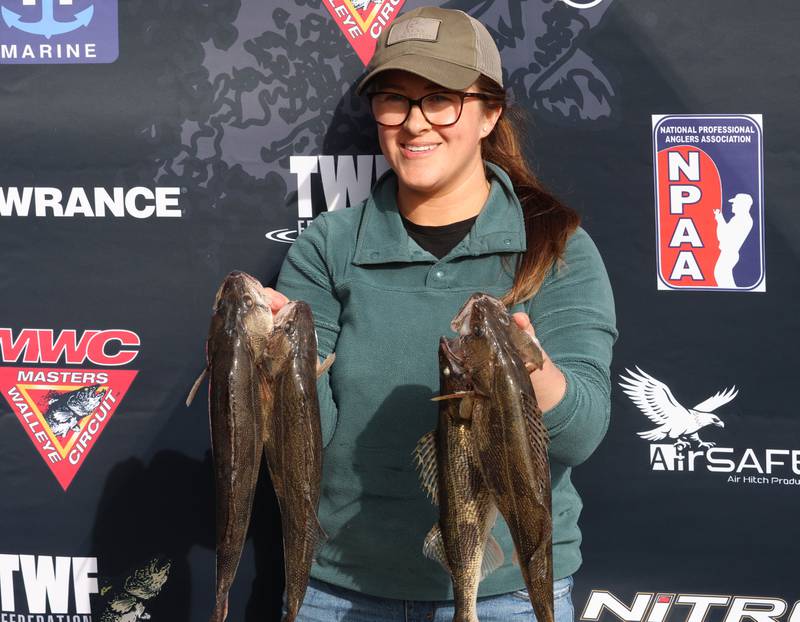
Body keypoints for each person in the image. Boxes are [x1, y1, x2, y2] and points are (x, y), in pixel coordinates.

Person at [264, 6, 617, 621]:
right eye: (394, 100)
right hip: (340, 585)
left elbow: (582, 433)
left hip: (511, 591)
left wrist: (525, 366)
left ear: (489, 113)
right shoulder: (327, 244)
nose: (414, 123)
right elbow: (305, 443)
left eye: (441, 100)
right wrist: (278, 367)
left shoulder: (555, 244)